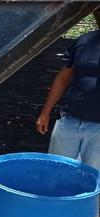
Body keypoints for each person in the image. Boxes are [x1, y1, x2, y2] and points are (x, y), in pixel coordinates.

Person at [36, 30, 100, 171]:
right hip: (69, 121)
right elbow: (62, 79)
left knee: (92, 179)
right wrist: (45, 112)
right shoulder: (85, 40)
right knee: (55, 171)